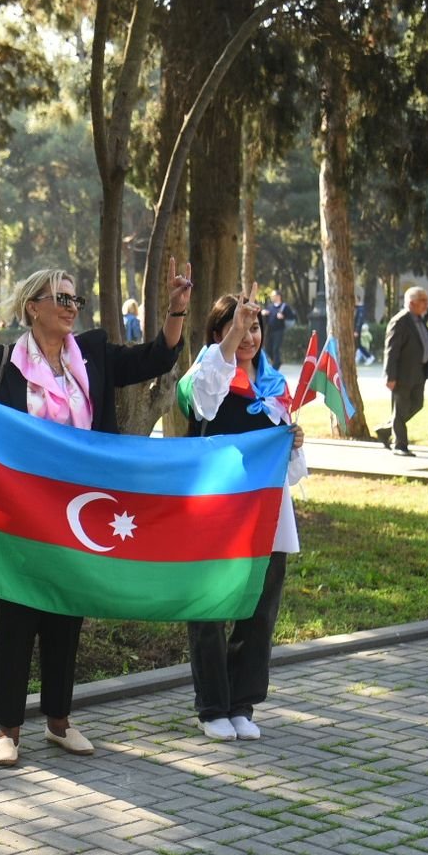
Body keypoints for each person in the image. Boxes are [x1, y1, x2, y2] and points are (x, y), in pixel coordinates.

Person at [0, 263, 188, 767]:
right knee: (15, 618)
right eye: (61, 298)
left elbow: (154, 357)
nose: (71, 307)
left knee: (66, 615)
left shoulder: (91, 354)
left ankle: (59, 721)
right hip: (19, 516)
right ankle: (7, 729)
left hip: (77, 515)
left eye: (74, 299)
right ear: (33, 308)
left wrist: (175, 311)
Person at [178, 294, 307, 742]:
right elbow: (202, 403)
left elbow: (292, 472)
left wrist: (294, 444)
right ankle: (212, 706)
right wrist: (231, 340)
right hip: (215, 513)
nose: (248, 336)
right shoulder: (205, 375)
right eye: (236, 327)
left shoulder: (274, 387)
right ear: (218, 333)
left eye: (254, 328)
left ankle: (242, 704)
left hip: (266, 515)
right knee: (210, 606)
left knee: (260, 610)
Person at [375, 286, 428, 457]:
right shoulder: (400, 321)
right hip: (402, 374)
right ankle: (400, 445)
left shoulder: (419, 320)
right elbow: (391, 350)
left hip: (418, 373)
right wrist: (390, 376)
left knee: (417, 404)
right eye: (423, 300)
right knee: (401, 408)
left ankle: (385, 430)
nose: (426, 304)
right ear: (412, 302)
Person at [261, 291, 294, 369]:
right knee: (268, 348)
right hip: (269, 330)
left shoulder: (285, 306)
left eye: (273, 295)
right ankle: (277, 361)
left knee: (276, 348)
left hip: (279, 330)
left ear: (279, 296)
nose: (272, 297)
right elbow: (264, 315)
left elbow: (291, 318)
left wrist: (283, 317)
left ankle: (275, 366)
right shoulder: (269, 307)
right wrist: (263, 313)